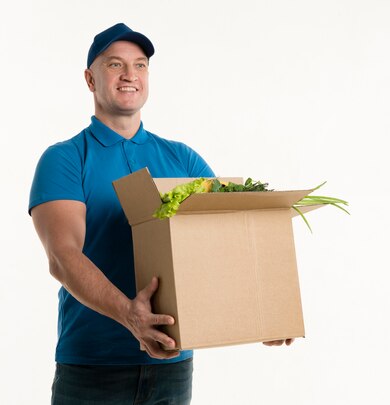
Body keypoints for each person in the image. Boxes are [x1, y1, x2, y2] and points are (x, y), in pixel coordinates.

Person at [29, 23, 292, 405]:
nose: (129, 76)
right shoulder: (66, 159)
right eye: (115, 65)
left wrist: (264, 309)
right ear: (90, 79)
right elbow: (63, 257)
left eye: (140, 65)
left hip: (172, 365)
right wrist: (129, 316)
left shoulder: (182, 159)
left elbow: (226, 240)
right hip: (93, 368)